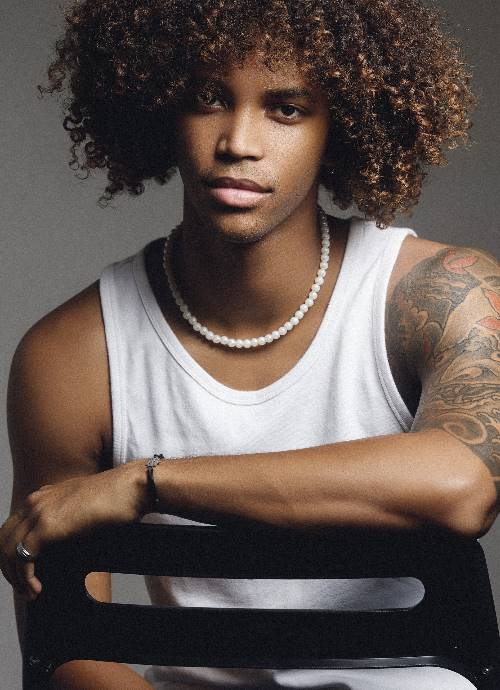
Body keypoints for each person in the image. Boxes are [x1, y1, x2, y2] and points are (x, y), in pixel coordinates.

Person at [1, 0, 499, 688]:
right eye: (207, 98)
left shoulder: (442, 293)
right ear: (158, 105)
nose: (238, 141)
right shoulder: (72, 354)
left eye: (286, 109)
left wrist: (148, 483)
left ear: (341, 124)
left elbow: (462, 485)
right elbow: (67, 649)